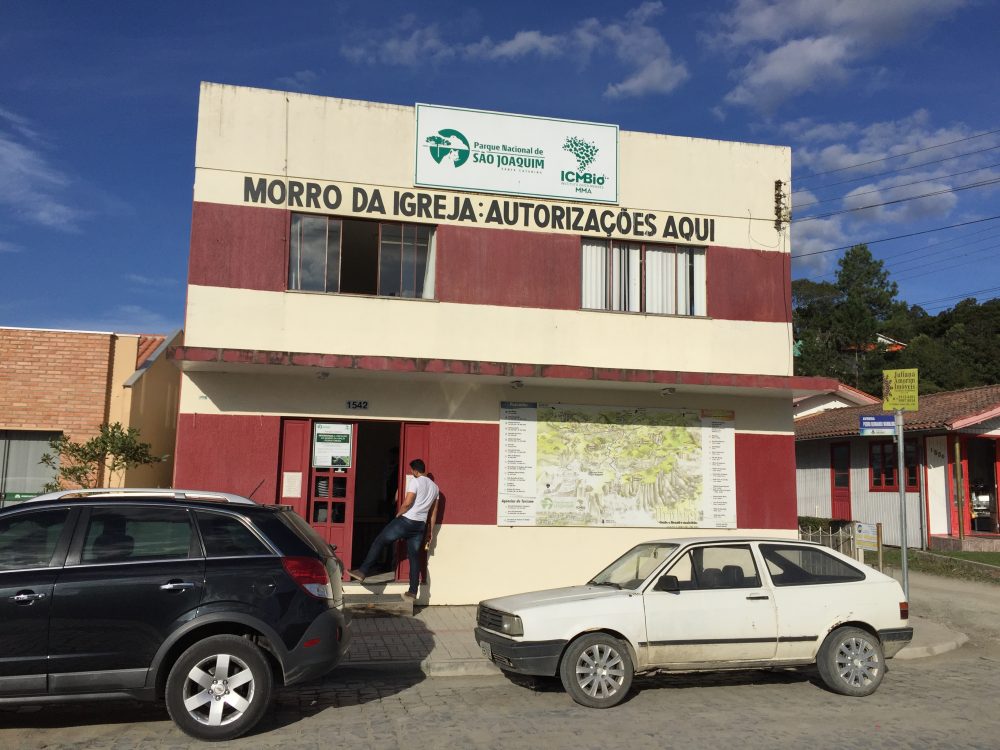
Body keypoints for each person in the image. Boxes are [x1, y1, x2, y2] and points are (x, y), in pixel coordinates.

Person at [349, 458, 439, 600]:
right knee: (414, 558)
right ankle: (413, 591)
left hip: (406, 521)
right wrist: (430, 531)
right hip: (420, 526)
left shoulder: (415, 481)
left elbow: (408, 502)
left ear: (415, 471)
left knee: (380, 541)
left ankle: (363, 571)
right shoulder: (435, 488)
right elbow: (433, 512)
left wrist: (398, 514)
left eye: (412, 470)